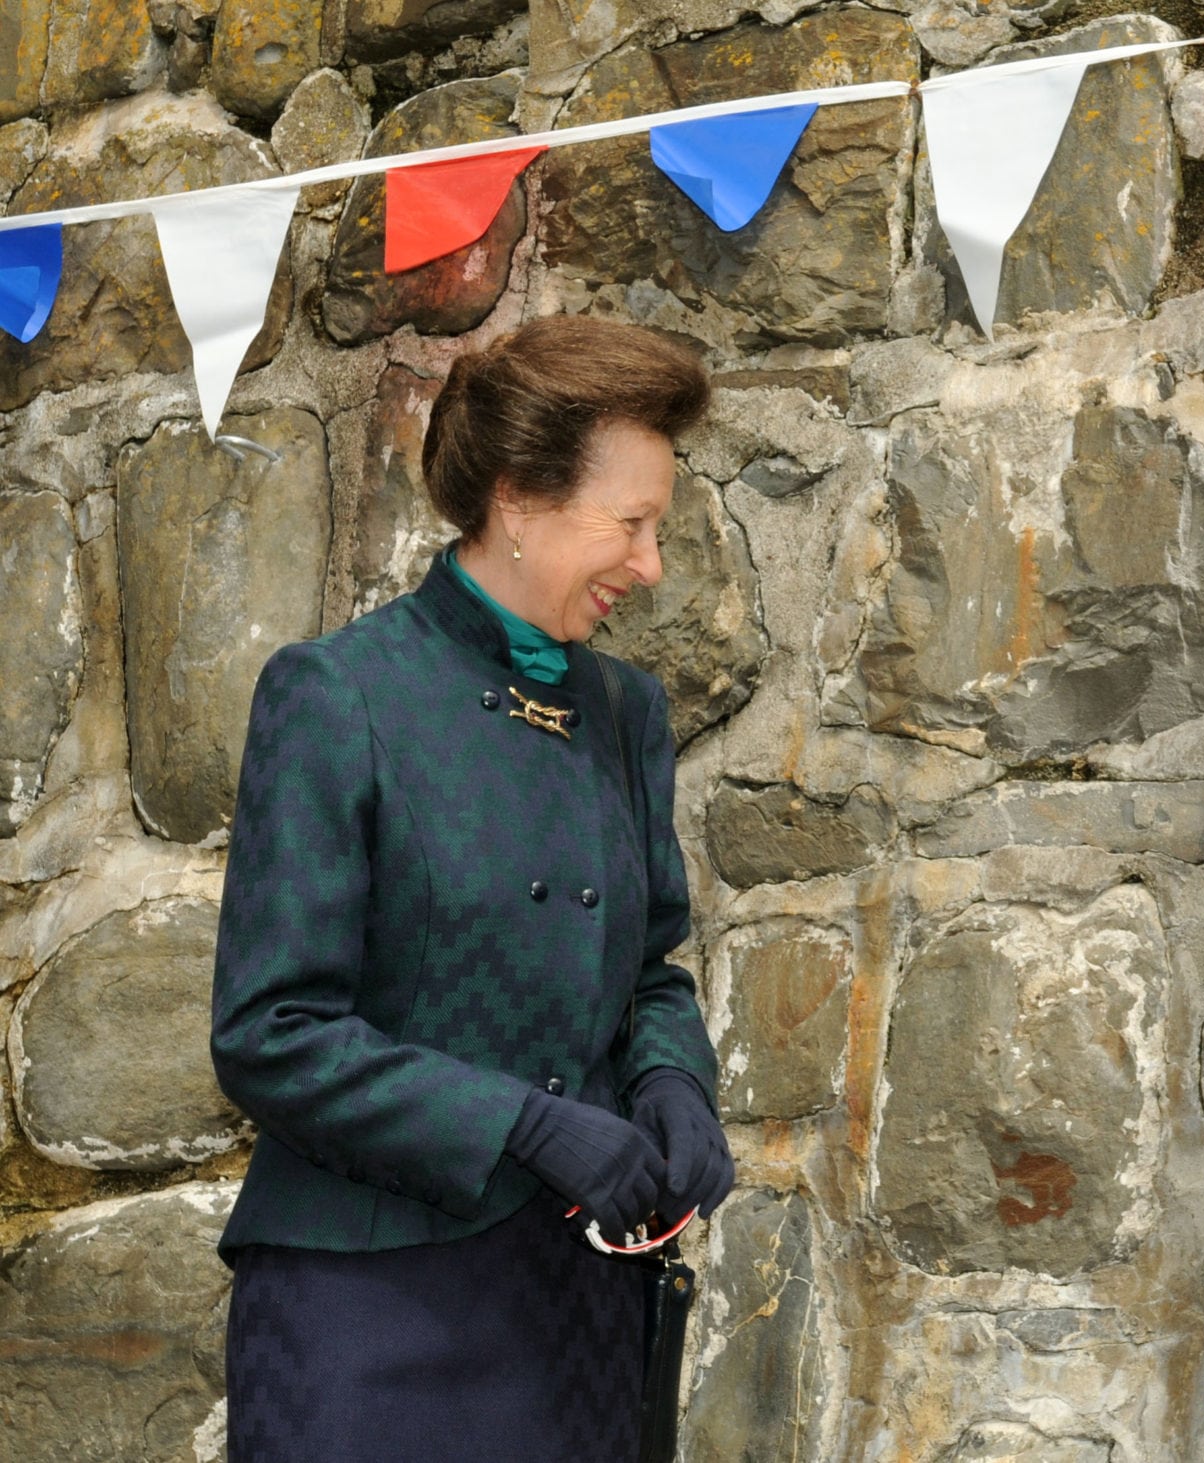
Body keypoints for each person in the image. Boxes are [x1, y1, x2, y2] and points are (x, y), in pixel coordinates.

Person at [210, 315, 734, 1463]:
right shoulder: (335, 693)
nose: (650, 565)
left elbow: (648, 967)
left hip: (576, 1310)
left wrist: (674, 1085)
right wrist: (527, 1121)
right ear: (516, 497)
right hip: (369, 1307)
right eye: (632, 524)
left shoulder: (624, 710)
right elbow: (270, 1032)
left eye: (660, 527)